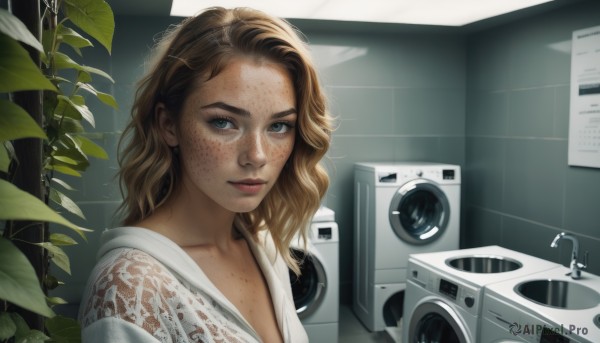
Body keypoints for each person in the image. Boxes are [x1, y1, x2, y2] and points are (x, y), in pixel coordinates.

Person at [78, 6, 332, 343]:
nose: (257, 156)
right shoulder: (129, 290)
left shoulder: (263, 242)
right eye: (223, 122)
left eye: (279, 125)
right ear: (169, 125)